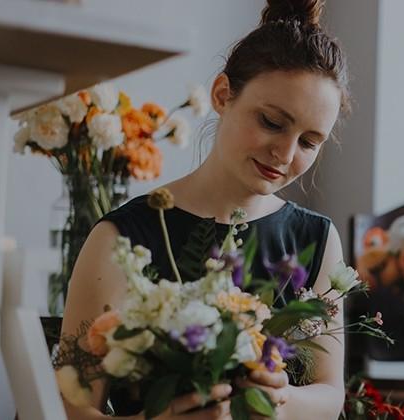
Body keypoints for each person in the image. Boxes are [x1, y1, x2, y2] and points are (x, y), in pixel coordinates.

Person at [59, 0, 350, 418]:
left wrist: (278, 402)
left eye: (308, 142)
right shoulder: (120, 238)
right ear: (222, 94)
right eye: (271, 121)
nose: (285, 153)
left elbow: (329, 394)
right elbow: (65, 409)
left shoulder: (317, 240)